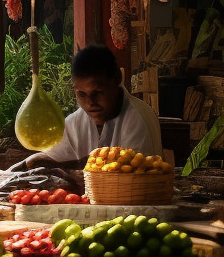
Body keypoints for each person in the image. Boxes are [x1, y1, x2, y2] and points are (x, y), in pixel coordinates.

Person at [12, 45, 163, 171]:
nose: (90, 102)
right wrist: (31, 164)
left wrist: (70, 165)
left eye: (97, 93)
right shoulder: (75, 122)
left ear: (116, 79)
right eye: (82, 94)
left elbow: (128, 172)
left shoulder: (136, 119)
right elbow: (48, 158)